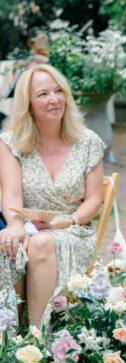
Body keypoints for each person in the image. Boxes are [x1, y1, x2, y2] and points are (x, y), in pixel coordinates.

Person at [0, 64, 105, 328]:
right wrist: (14, 225)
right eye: (43, 94)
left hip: (73, 230)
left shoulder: (87, 141)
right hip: (27, 227)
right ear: (29, 105)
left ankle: (38, 343)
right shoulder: (11, 142)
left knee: (42, 243)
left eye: (58, 91)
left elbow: (94, 199)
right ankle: (8, 341)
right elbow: (10, 195)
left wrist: (67, 221)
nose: (54, 99)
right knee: (8, 245)